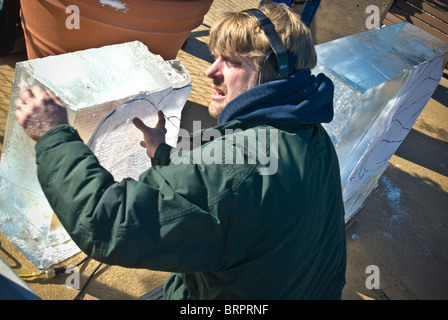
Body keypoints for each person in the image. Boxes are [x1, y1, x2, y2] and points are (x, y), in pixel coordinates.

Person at [14, 3, 346, 299]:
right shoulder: (310, 135)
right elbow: (226, 194)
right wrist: (163, 154)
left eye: (230, 62)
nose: (209, 71)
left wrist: (54, 134)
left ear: (275, 72)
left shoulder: (243, 164)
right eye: (214, 56)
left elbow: (106, 221)